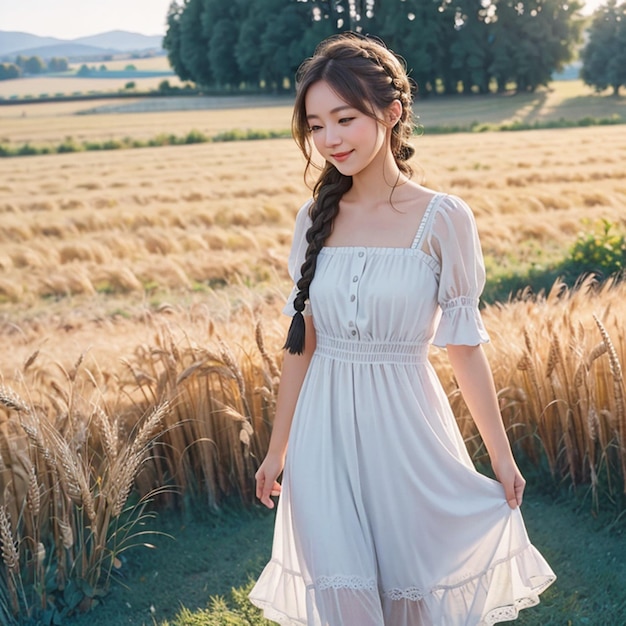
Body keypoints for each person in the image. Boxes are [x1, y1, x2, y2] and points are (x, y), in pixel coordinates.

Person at [249, 32, 555, 626]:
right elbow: (301, 342)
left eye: (345, 118)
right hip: (323, 434)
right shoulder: (313, 219)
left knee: (410, 603)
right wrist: (277, 448)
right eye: (315, 126)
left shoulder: (443, 218)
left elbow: (464, 346)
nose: (330, 139)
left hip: (408, 432)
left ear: (391, 113)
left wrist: (502, 457)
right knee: (345, 602)